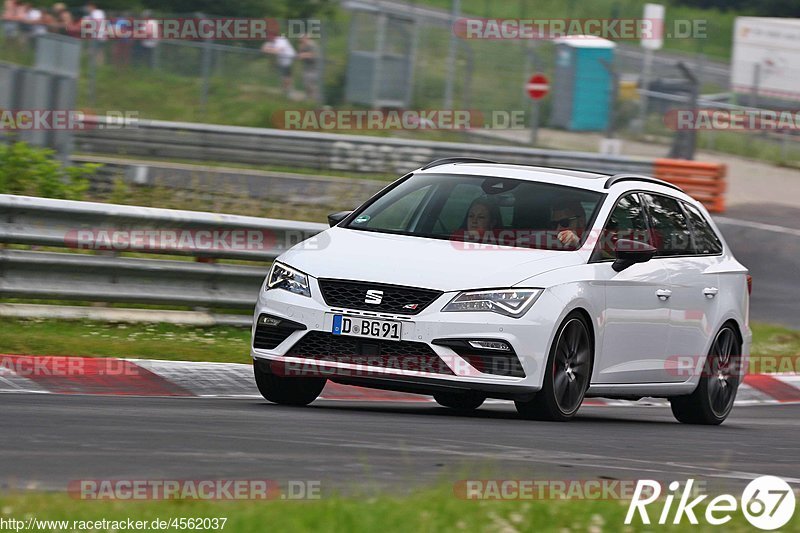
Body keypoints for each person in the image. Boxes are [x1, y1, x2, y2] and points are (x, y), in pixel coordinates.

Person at [297, 33, 319, 102]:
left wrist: (304, 54)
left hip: (314, 68)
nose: (300, 41)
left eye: (301, 39)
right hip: (307, 67)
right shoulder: (303, 45)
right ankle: (309, 98)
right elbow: (300, 55)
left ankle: (316, 99)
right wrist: (301, 49)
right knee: (306, 84)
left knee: (313, 84)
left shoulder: (312, 44)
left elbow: (313, 54)